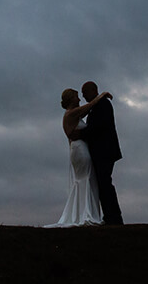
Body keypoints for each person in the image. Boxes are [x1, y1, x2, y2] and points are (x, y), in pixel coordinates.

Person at [45, 87, 110, 227]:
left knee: (84, 179)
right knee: (86, 178)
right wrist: (102, 95)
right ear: (70, 99)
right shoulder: (71, 114)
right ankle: (86, 213)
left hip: (80, 149)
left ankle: (83, 212)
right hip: (80, 149)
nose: (79, 99)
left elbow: (87, 109)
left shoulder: (74, 115)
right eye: (76, 97)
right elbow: (90, 105)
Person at [81, 80, 123, 225]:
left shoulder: (103, 104)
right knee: (103, 183)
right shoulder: (97, 105)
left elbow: (96, 127)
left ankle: (113, 217)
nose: (83, 96)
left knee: (105, 183)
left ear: (93, 90)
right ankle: (111, 216)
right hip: (103, 151)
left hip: (105, 151)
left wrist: (80, 134)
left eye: (85, 93)